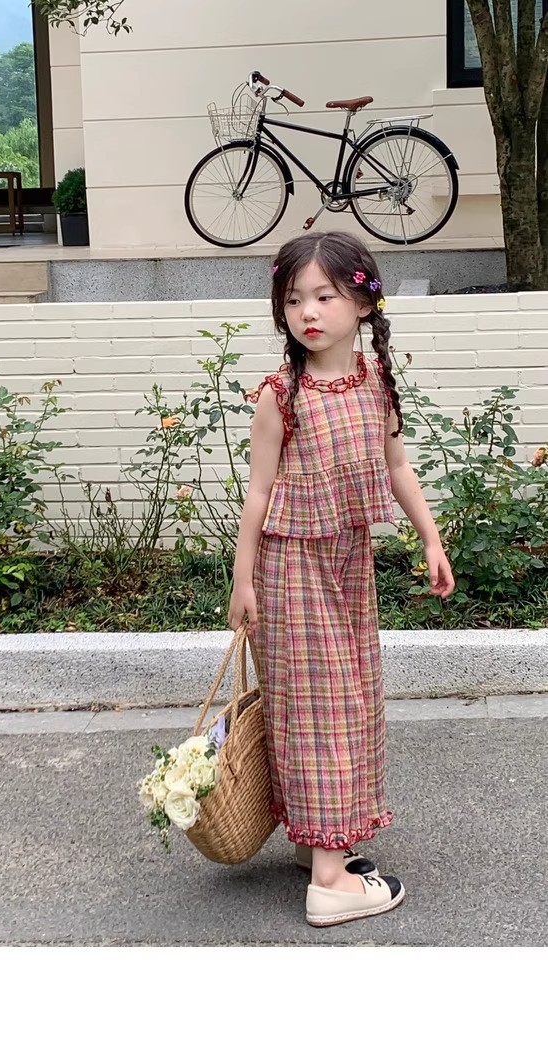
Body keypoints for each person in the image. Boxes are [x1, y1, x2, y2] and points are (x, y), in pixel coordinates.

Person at [228, 230, 455, 927]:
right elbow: (258, 494)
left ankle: (316, 841)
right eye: (295, 298)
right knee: (318, 707)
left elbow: (397, 467)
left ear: (362, 302)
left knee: (348, 699)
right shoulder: (282, 395)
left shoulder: (373, 382)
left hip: (348, 563)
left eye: (324, 295)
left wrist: (430, 536)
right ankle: (330, 883)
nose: (308, 311)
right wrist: (243, 579)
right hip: (291, 567)